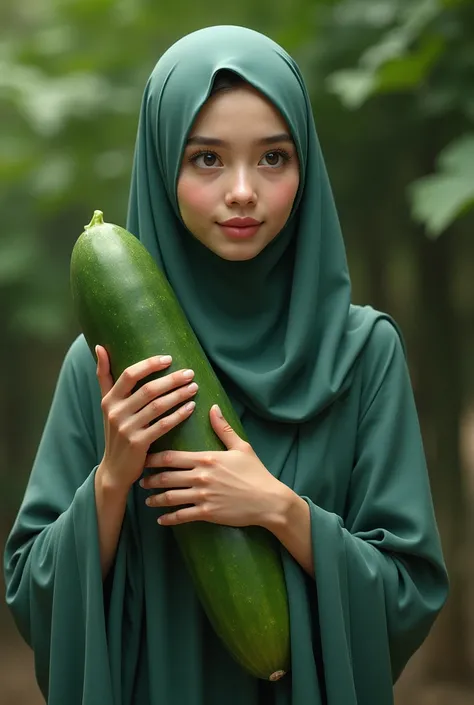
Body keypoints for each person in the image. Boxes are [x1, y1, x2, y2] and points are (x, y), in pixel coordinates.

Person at [3, 25, 448, 705]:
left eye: (273, 157)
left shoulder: (364, 354)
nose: (243, 190)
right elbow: (33, 594)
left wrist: (279, 510)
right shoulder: (104, 368)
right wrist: (112, 481)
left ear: (307, 168)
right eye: (207, 158)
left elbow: (408, 595)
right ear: (161, 169)